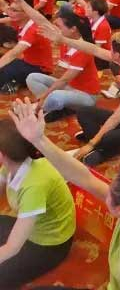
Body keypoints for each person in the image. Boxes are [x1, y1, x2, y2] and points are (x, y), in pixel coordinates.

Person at [10, 98, 120, 290]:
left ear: (119, 210)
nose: (105, 188)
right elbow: (82, 176)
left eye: (110, 191)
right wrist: (39, 139)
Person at [40, 27, 120, 166]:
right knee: (84, 111)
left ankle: (106, 149)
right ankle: (104, 144)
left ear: (116, 55)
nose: (108, 51)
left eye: (111, 49)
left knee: (108, 135)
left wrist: (91, 144)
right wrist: (62, 39)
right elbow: (93, 49)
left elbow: (116, 117)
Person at [0, 118, 75, 289]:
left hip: (50, 244)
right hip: (31, 228)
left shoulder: (34, 185)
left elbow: (13, 247)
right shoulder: (13, 163)